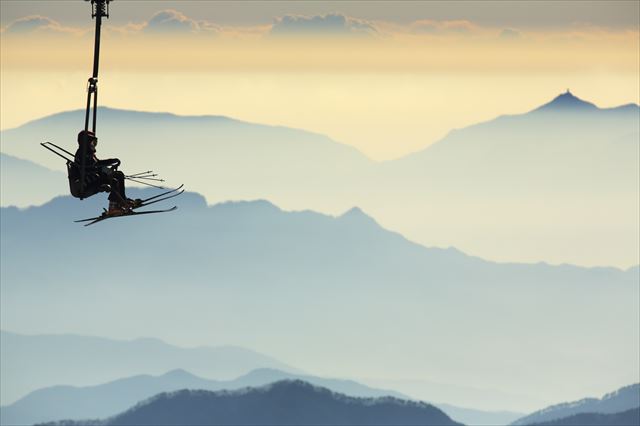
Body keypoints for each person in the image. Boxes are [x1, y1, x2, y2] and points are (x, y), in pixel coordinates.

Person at [69, 130, 140, 213]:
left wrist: (111, 163)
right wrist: (108, 167)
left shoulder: (89, 153)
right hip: (87, 182)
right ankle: (112, 207)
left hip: (95, 177)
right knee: (113, 180)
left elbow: (97, 164)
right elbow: (93, 166)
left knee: (119, 175)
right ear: (86, 142)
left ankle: (122, 200)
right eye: (92, 142)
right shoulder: (82, 154)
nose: (94, 145)